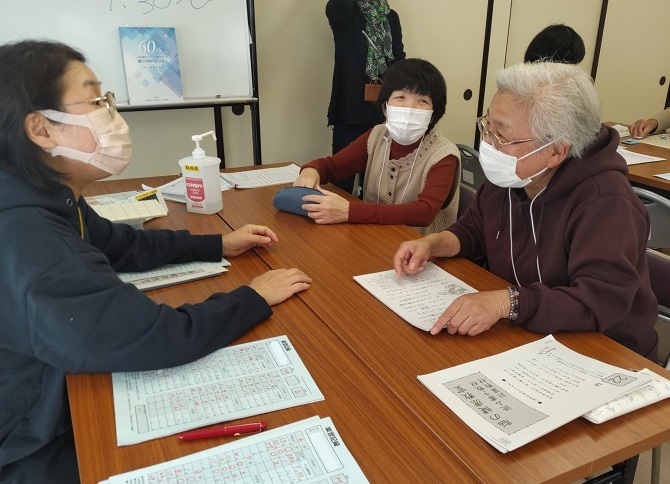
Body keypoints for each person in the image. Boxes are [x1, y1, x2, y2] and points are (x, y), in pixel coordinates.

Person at [0, 40, 312, 483]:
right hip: (29, 441)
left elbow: (120, 244)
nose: (111, 113)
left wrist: (215, 246)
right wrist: (252, 297)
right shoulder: (33, 239)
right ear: (41, 129)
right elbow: (155, 336)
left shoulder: (42, 192)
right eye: (94, 100)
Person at [392, 62, 658, 362]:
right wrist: (432, 244)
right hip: (527, 336)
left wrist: (507, 303)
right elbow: (475, 231)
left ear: (556, 151)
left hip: (601, 353)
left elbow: (599, 301)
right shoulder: (514, 175)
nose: (488, 144)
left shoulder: (606, 202)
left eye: (501, 137)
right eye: (487, 127)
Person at [293, 58, 460, 235]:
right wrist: (312, 170)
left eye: (422, 101)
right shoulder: (377, 136)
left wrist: (349, 211)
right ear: (385, 107)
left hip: (421, 252)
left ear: (434, 114)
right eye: (400, 97)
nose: (410, 108)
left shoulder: (444, 155)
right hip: (373, 238)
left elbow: (424, 212)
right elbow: (332, 167)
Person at [326, 0, 405, 194]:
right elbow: (336, 7)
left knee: (375, 185)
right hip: (349, 112)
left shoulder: (391, 16)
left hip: (382, 114)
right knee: (340, 182)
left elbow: (398, 58)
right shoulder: (345, 12)